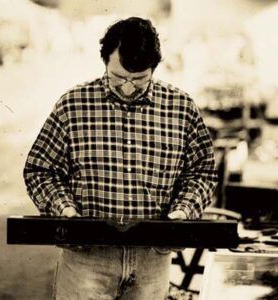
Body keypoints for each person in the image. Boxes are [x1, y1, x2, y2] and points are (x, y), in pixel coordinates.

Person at [24, 17, 218, 300]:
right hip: (87, 259)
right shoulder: (73, 104)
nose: (128, 88)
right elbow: (40, 169)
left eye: (139, 79)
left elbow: (202, 172)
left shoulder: (181, 108)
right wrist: (65, 210)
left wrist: (182, 212)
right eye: (119, 77)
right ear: (105, 61)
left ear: (154, 66)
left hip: (153, 258)